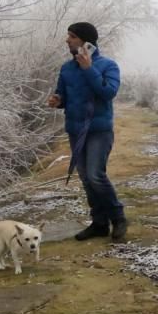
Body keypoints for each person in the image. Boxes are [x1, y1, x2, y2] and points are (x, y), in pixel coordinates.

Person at [47, 22, 127, 242]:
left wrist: (88, 68)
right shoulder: (66, 68)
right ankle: (99, 223)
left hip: (99, 130)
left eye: (72, 36)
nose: (67, 40)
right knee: (85, 178)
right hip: (75, 130)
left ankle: (118, 217)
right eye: (68, 36)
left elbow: (108, 92)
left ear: (86, 41)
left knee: (95, 175)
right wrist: (57, 100)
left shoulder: (108, 65)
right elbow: (62, 95)